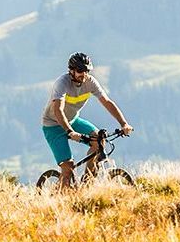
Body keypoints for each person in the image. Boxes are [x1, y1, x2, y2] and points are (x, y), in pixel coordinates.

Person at [41, 52, 133, 189]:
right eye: (79, 71)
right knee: (68, 167)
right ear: (71, 71)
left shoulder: (90, 82)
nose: (83, 74)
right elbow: (58, 110)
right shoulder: (62, 83)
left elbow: (107, 102)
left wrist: (123, 123)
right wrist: (70, 132)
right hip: (53, 126)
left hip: (72, 120)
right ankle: (59, 196)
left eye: (86, 70)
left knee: (98, 139)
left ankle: (87, 184)